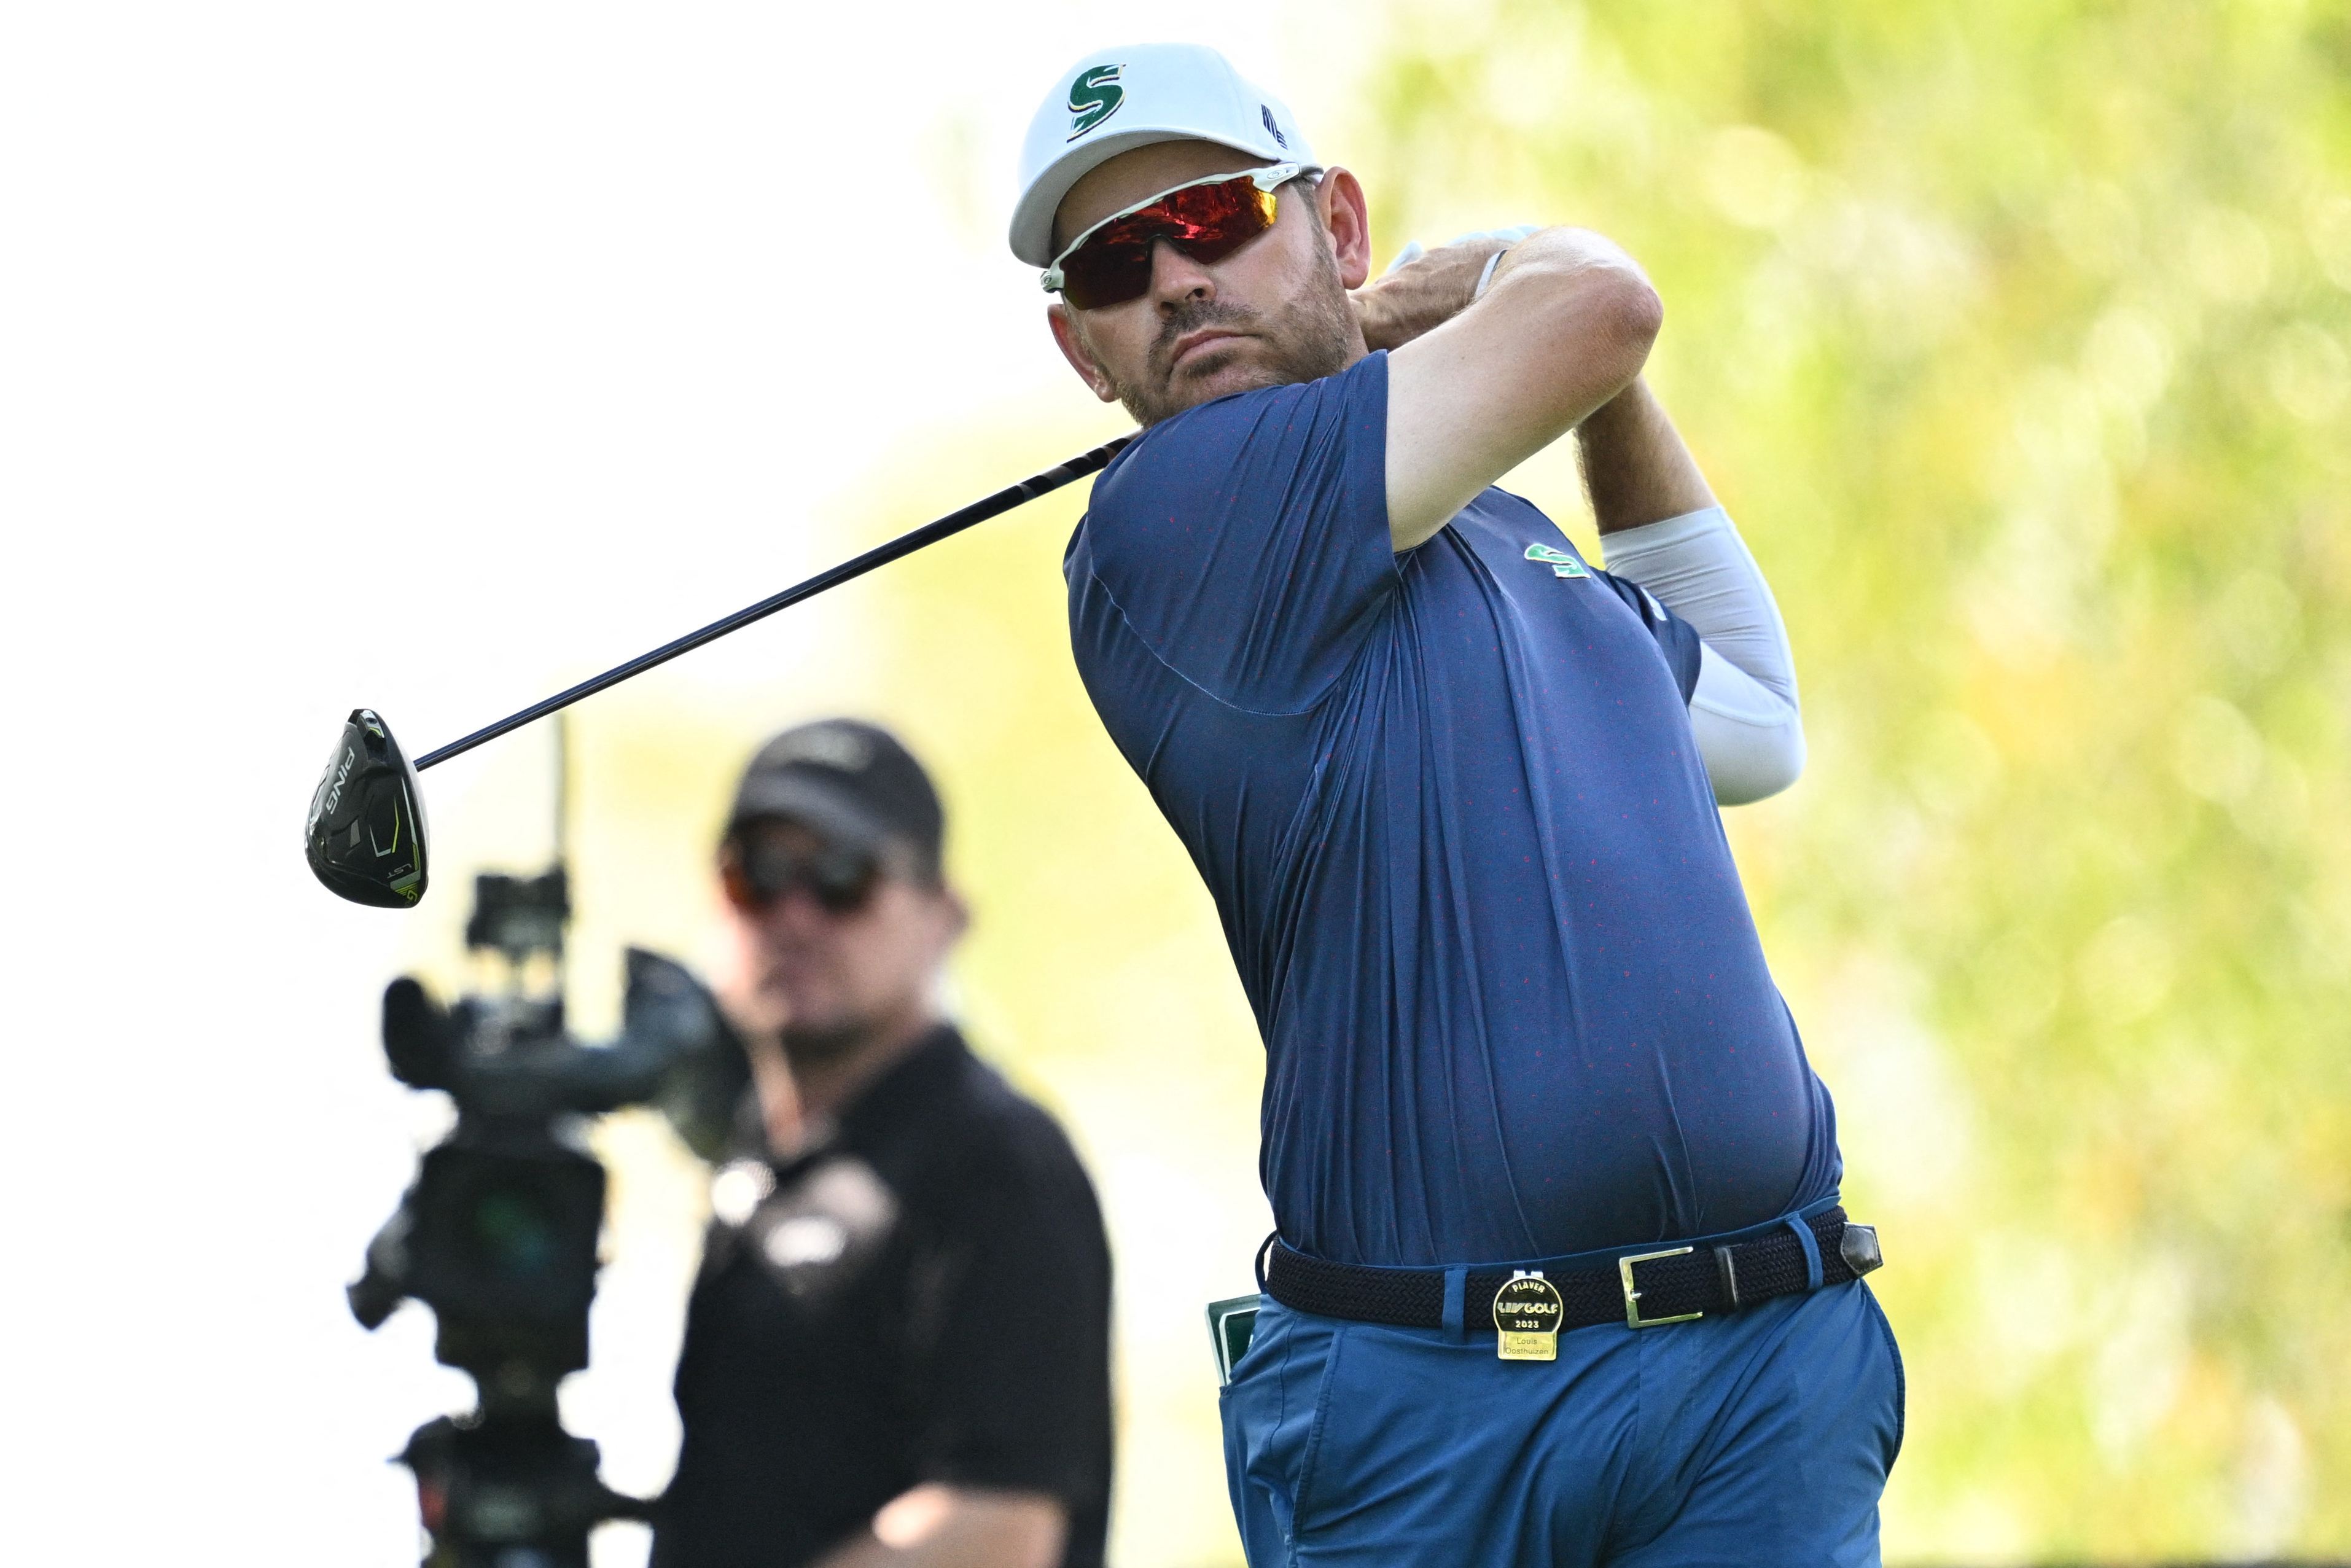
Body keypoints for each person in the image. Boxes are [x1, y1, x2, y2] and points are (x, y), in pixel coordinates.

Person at [1011, 42, 1900, 1568]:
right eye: (1114, 263)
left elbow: (1754, 721)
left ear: (1338, 229)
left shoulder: (1505, 535)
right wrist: (1502, 278)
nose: (1173, 277)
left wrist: (1597, 394)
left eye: (1217, 217)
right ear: (1083, 350)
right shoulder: (1176, 514)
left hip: (1764, 1371)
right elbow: (1605, 304)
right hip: (1441, 1406)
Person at [652, 719, 1113, 1568]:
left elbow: (1001, 1533)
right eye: (757, 875)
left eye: (841, 878)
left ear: (945, 916)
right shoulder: (758, 1158)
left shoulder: (996, 1161)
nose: (793, 916)